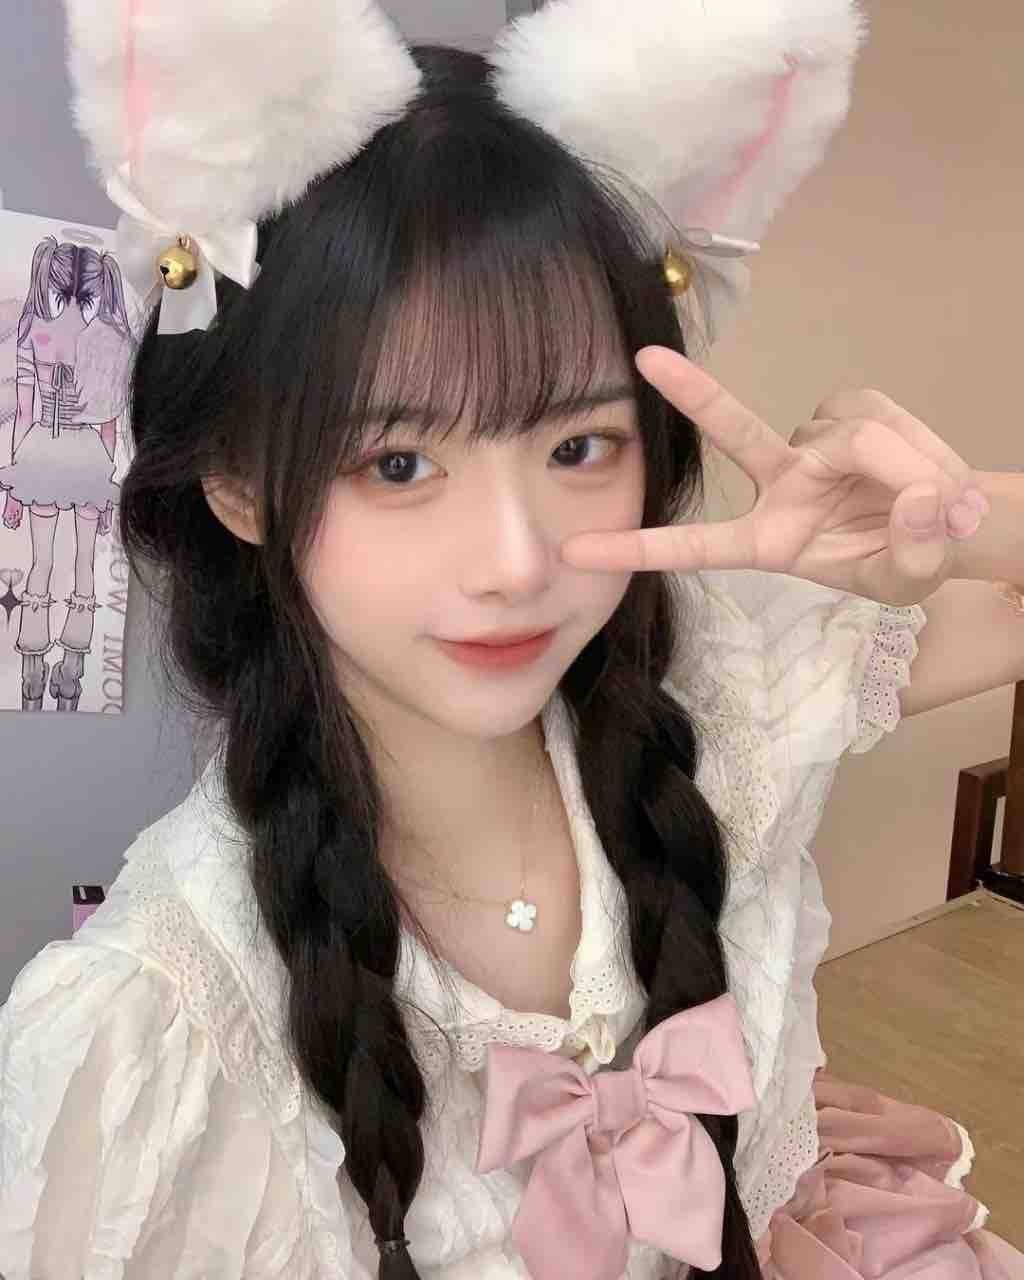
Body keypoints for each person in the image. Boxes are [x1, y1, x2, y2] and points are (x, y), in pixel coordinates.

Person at [1, 2, 1022, 1278]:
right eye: (400, 461)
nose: (517, 562)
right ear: (239, 484)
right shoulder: (161, 1029)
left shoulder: (721, 687)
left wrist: (956, 517)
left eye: (578, 444)